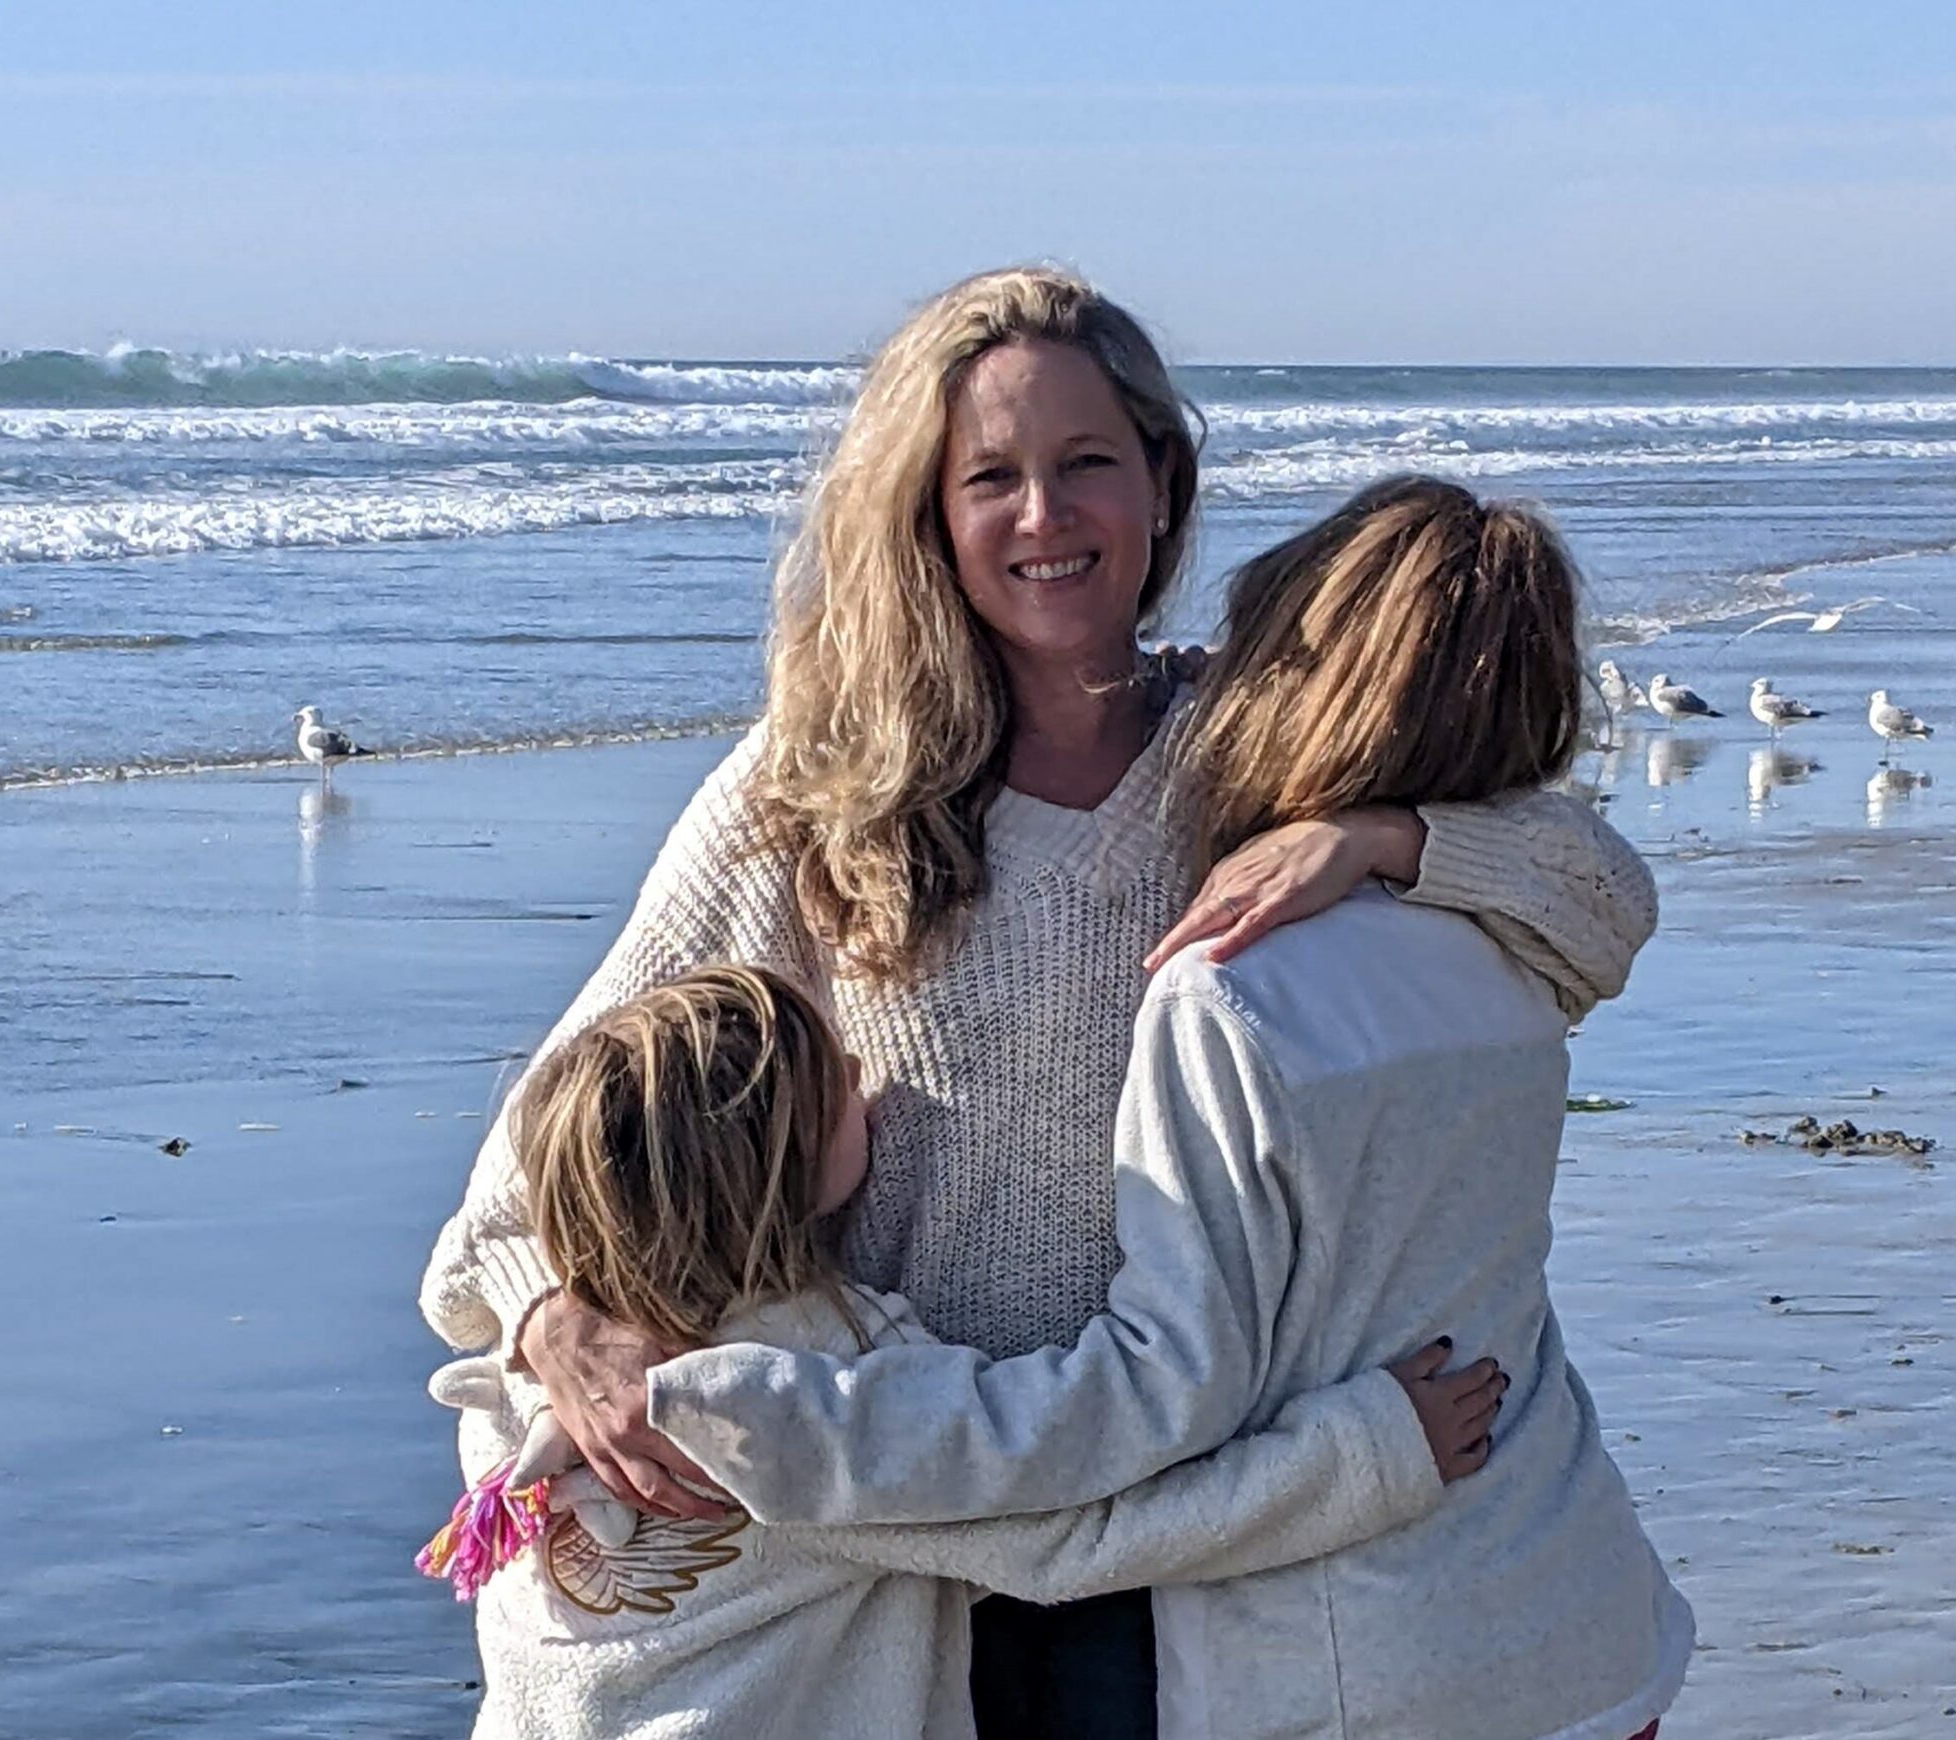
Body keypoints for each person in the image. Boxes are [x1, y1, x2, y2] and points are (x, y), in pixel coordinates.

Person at [422, 267, 1657, 1737]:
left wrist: (1390, 837)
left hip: (1187, 1522)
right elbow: (555, 1141)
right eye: (989, 477)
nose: (1044, 517)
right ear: (928, 519)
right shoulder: (816, 794)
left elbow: (1595, 900)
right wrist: (557, 1319)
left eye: (1087, 466)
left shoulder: (1255, 763)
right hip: (899, 1525)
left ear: (1161, 482)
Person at [644, 479, 1693, 1740]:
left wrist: (778, 1437)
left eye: (1256, 649)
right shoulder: (1513, 947)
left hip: (1347, 1656)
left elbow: (1169, 1389)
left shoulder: (1232, 992)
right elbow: (1600, 889)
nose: (1217, 679)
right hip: (1576, 1614)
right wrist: (1389, 839)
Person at [425, 963, 1505, 1740]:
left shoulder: (513, 1381)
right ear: (780, 1171)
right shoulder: (816, 1395)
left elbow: (456, 1282)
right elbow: (1077, 1536)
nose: (865, 1071)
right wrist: (1365, 1455)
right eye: (833, 1084)